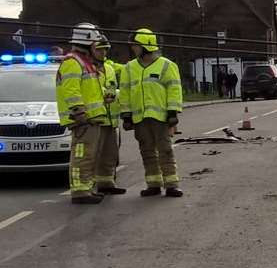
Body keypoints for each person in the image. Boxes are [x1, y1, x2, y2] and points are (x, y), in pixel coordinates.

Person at [119, 27, 184, 197]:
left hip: (160, 117)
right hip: (140, 118)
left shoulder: (167, 66)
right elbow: (125, 92)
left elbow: (174, 89)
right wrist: (126, 115)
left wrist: (172, 112)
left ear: (146, 46)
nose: (133, 48)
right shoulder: (129, 68)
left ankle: (171, 184)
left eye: (136, 45)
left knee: (165, 150)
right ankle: (153, 183)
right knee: (146, 151)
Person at [55, 23, 108, 205]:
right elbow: (72, 90)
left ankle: (86, 188)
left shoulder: (85, 63)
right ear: (86, 43)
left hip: (91, 119)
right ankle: (79, 191)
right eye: (94, 43)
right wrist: (79, 112)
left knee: (88, 155)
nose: (97, 47)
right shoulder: (72, 62)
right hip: (83, 120)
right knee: (81, 155)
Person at [94, 35, 127, 196]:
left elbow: (127, 70)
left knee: (110, 153)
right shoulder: (87, 68)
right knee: (93, 154)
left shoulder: (109, 68)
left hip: (111, 119)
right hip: (96, 118)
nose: (103, 53)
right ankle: (88, 187)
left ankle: (106, 183)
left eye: (105, 49)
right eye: (99, 50)